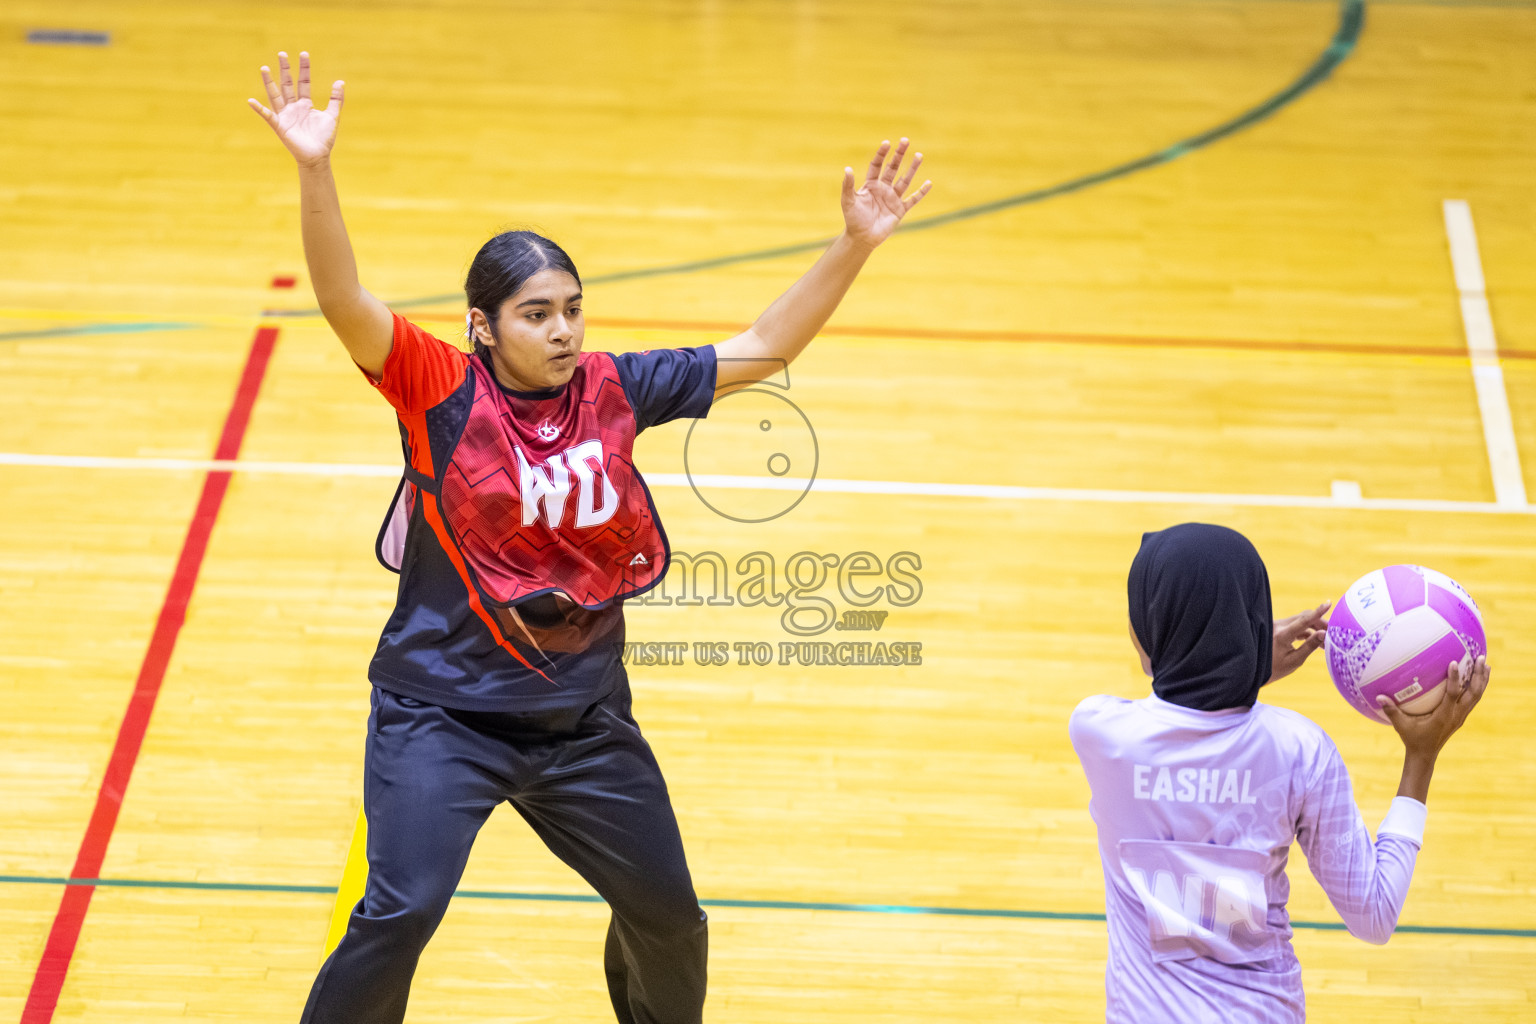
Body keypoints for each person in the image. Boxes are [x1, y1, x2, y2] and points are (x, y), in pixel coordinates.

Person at [247, 51, 932, 1024]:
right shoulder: (439, 388)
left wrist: (854, 244)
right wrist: (315, 168)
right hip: (442, 716)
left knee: (670, 918)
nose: (563, 330)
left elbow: (760, 347)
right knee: (401, 909)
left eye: (572, 309)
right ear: (483, 327)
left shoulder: (614, 388)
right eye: (537, 314)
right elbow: (344, 301)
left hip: (581, 720)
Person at [1069, 523, 1488, 1023]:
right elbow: (1374, 915)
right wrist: (1421, 758)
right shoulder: (1299, 751)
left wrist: (1242, 664)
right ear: (1252, 617)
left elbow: (1176, 697)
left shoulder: (1100, 733)